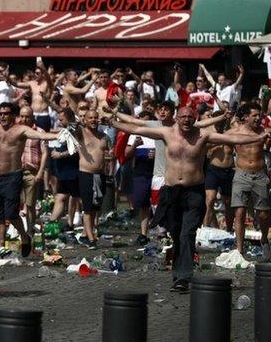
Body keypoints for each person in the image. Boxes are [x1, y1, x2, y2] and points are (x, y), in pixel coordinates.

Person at [112, 106, 268, 292]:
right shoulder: (166, 133)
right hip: (171, 192)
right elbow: (136, 129)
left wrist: (258, 138)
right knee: (177, 235)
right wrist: (112, 122)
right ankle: (181, 270)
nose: (186, 120)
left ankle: (183, 278)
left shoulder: (203, 136)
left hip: (194, 192)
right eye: (183, 116)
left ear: (195, 119)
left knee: (187, 233)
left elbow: (232, 138)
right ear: (177, 118)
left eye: (190, 117)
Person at [0, 102, 60, 255]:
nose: (2, 116)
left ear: (13, 116)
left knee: (11, 214)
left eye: (6, 113)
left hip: (13, 176)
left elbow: (41, 135)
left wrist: (59, 135)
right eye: (0, 114)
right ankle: (0, 248)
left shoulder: (21, 130)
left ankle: (24, 236)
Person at [228, 103, 270, 261]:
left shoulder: (264, 131)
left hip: (259, 175)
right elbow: (215, 139)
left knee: (264, 214)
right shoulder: (234, 132)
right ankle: (239, 249)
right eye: (255, 115)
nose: (258, 118)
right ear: (245, 117)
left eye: (259, 115)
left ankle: (264, 240)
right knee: (239, 212)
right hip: (241, 174)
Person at [74, 110, 109, 249]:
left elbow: (110, 153)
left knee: (96, 207)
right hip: (86, 174)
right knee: (87, 208)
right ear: (85, 120)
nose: (94, 120)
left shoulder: (104, 136)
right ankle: (90, 238)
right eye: (91, 118)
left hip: (100, 175)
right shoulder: (81, 133)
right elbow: (71, 125)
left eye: (96, 118)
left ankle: (86, 234)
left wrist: (109, 155)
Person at [124, 111, 155, 246]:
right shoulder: (134, 135)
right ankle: (144, 233)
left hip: (156, 172)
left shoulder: (157, 134)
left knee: (157, 203)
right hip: (141, 172)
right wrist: (135, 145)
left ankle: (161, 231)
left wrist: (157, 154)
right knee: (143, 204)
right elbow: (127, 154)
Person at [49, 108, 81, 230]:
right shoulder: (67, 129)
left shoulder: (75, 129)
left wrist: (60, 155)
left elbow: (78, 149)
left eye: (61, 119)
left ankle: (70, 223)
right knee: (60, 196)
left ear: (68, 117)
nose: (59, 120)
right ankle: (52, 223)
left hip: (73, 169)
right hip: (64, 170)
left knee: (72, 197)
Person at [202, 112, 235, 230]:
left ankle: (230, 230)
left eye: (220, 123)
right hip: (213, 170)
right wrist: (216, 143)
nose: (218, 125)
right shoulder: (209, 134)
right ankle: (205, 229)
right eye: (216, 123)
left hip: (229, 170)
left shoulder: (231, 133)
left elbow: (228, 111)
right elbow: (203, 149)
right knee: (210, 200)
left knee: (228, 202)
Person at [18, 107, 47, 235]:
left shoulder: (39, 132)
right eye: (22, 116)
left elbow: (45, 153)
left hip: (32, 171)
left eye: (27, 116)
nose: (24, 119)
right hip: (17, 171)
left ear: (32, 117)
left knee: (30, 204)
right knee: (16, 203)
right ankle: (19, 230)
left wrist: (41, 172)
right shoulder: (16, 131)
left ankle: (30, 231)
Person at [9, 59, 53, 131]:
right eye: (35, 73)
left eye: (38, 73)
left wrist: (43, 68)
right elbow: (17, 84)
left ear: (43, 74)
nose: (36, 75)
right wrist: (7, 77)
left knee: (44, 137)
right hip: (32, 115)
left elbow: (49, 80)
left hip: (43, 115)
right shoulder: (32, 83)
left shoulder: (46, 84)